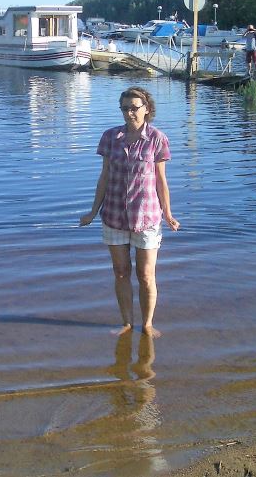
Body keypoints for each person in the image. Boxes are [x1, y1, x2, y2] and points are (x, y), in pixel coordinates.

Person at [80, 86, 180, 338]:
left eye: (134, 108)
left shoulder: (157, 138)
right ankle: (126, 323)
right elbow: (104, 176)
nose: (129, 113)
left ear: (147, 109)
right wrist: (93, 211)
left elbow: (161, 181)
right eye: (125, 108)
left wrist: (168, 214)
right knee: (121, 271)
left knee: (145, 275)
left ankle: (147, 325)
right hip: (113, 215)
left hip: (146, 217)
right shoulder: (110, 137)